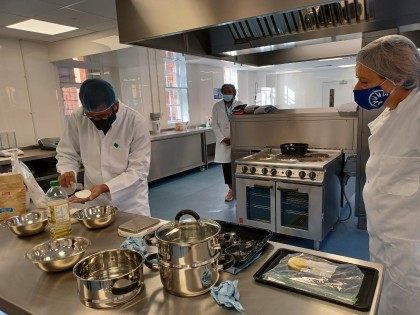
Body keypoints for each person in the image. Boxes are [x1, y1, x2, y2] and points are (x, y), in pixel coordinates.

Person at [353, 35, 420, 314]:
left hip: (410, 251)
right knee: (384, 296)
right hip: (383, 238)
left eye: (365, 82)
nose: (357, 88)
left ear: (399, 79)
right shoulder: (393, 111)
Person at [56, 78, 151, 216]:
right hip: (95, 202)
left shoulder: (135, 122)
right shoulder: (78, 117)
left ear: (115, 105)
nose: (97, 121)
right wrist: (67, 171)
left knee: (133, 236)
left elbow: (139, 170)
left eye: (101, 116)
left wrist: (105, 187)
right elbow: (67, 153)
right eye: (91, 117)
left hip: (129, 203)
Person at [212, 84, 243, 201]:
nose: (227, 94)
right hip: (223, 141)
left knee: (238, 165)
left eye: (229, 92)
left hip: (238, 140)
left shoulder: (239, 104)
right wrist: (222, 138)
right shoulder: (217, 106)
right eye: (225, 92)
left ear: (234, 93)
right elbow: (214, 124)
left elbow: (243, 122)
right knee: (226, 166)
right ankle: (231, 190)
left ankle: (240, 188)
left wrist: (235, 137)